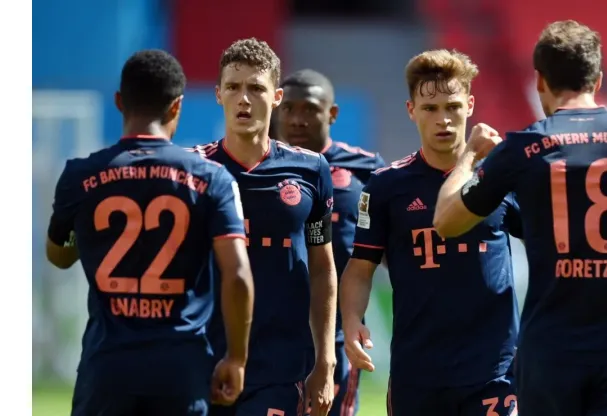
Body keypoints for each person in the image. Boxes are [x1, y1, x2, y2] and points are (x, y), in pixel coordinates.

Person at [433, 20, 607, 416]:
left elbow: (446, 221)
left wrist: (468, 158)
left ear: (540, 80)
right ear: (597, 80)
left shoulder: (524, 147)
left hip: (550, 349)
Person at [45, 49, 254, 416]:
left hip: (106, 371)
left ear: (119, 102)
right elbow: (237, 274)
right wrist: (236, 358)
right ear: (177, 107)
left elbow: (58, 255)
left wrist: (90, 231)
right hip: (181, 371)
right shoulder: (213, 179)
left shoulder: (80, 176)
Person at [340, 49, 522, 416]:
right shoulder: (386, 186)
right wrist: (351, 321)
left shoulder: (501, 177)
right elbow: (360, 268)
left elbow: (547, 245)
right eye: (430, 108)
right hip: (418, 373)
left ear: (470, 105)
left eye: (453, 107)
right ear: (411, 111)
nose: (444, 120)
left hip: (494, 369)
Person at [190, 39, 337, 416]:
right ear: (218, 94)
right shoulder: (192, 169)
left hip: (281, 366)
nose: (244, 98)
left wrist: (325, 362)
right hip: (201, 360)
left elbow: (322, 267)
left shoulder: (312, 169)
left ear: (276, 98)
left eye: (256, 88)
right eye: (234, 87)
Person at [276, 68, 386, 416]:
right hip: (272, 332)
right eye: (289, 108)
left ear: (332, 113)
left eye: (308, 109)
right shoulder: (262, 168)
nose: (296, 119)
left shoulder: (367, 170)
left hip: (336, 333)